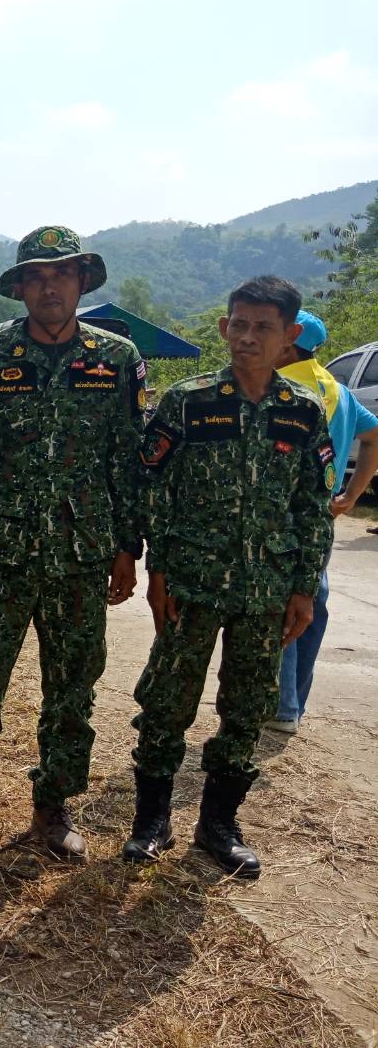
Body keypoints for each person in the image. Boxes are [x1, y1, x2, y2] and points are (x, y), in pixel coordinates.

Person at [0, 226, 145, 860]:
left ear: (82, 281)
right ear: (21, 287)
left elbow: (127, 458)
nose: (49, 286)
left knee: (73, 689)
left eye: (62, 274)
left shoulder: (117, 358)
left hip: (82, 552)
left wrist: (128, 546)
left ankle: (53, 808)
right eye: (37, 276)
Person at [123, 276, 334, 878]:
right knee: (167, 702)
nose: (248, 337)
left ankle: (218, 824)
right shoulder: (187, 402)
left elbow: (313, 506)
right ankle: (151, 821)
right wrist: (157, 567)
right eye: (239, 324)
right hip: (191, 582)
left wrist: (304, 588)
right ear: (224, 327)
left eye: (263, 327)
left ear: (290, 335)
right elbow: (152, 487)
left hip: (267, 590)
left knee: (247, 708)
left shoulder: (303, 412)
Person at [264, 310, 378, 732]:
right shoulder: (339, 390)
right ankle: (294, 703)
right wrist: (351, 496)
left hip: (281, 516)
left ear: (288, 341)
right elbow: (374, 436)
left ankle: (282, 707)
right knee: (311, 601)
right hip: (321, 515)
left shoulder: (284, 387)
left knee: (280, 606)